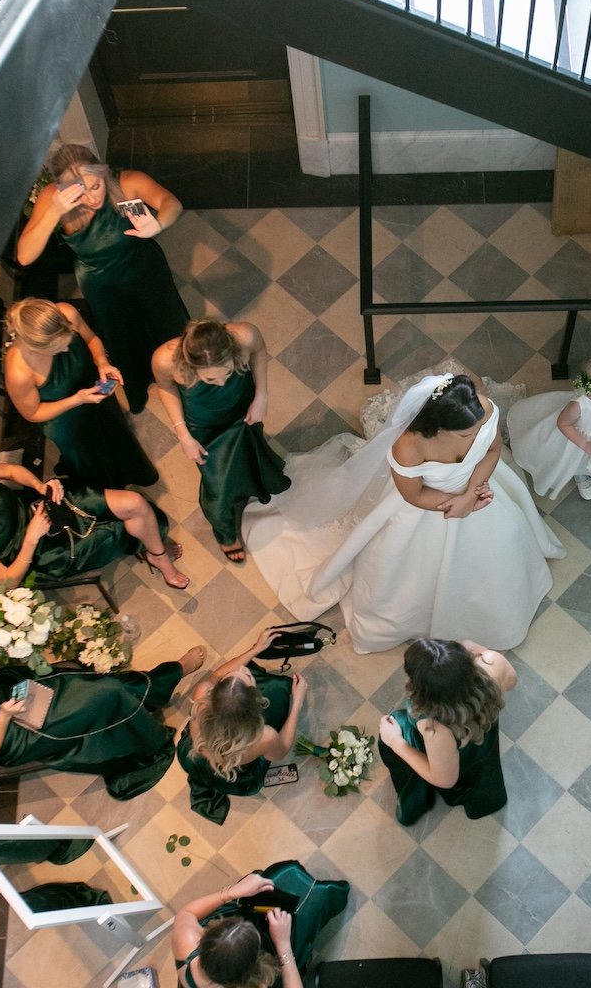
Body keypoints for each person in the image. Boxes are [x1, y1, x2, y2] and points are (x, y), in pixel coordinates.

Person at [244, 372, 566, 653]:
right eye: (465, 435)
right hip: (428, 509)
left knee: (498, 553)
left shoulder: (483, 410)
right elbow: (412, 494)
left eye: (476, 428)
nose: (475, 434)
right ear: (438, 428)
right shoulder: (408, 447)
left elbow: (493, 449)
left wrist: (471, 494)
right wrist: (455, 504)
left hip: (478, 491)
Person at [0, 642, 206, 800]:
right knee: (106, 693)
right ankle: (163, 682)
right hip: (13, 734)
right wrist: (4, 716)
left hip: (11, 689)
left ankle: (158, 684)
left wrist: (9, 637)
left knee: (104, 688)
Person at [15, 144, 188, 413]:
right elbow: (25, 256)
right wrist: (54, 212)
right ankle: (140, 381)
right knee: (121, 335)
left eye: (96, 186)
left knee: (164, 320)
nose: (92, 198)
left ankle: (183, 372)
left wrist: (159, 223)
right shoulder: (53, 199)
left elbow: (172, 203)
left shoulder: (128, 182)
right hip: (100, 283)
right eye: (80, 192)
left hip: (144, 270)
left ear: (103, 172)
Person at [0, 460, 188, 590]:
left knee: (134, 503)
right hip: (40, 554)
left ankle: (155, 554)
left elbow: (10, 471)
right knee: (114, 528)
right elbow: (7, 580)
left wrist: (38, 486)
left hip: (41, 507)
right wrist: (31, 538)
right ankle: (155, 554)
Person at [152, 320, 290, 564]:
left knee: (251, 449)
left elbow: (259, 352)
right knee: (216, 485)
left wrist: (261, 395)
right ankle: (225, 533)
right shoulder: (165, 360)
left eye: (228, 372)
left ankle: (260, 479)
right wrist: (184, 435)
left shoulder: (245, 335)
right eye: (210, 379)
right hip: (204, 425)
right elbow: (165, 389)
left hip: (241, 406)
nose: (222, 382)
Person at [2, 298, 157, 489]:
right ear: (38, 347)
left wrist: (102, 362)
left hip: (93, 391)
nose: (67, 349)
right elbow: (33, 413)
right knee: (92, 461)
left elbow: (91, 339)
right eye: (59, 348)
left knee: (116, 435)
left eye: (68, 342)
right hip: (66, 420)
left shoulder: (67, 313)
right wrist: (78, 400)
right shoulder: (18, 371)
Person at [378, 638, 516, 825]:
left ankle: (415, 799)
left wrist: (394, 740)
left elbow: (445, 780)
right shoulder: (492, 662)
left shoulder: (436, 729)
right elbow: (512, 681)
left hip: (455, 748)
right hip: (482, 732)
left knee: (394, 726)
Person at [177, 629, 307, 824]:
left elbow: (218, 674)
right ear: (255, 705)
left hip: (194, 759)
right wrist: (297, 702)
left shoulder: (202, 693)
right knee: (278, 690)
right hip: (238, 776)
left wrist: (256, 649)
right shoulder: (264, 736)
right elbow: (281, 751)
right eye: (248, 677)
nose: (241, 670)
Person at [170, 861, 349, 988]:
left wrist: (232, 892)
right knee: (308, 906)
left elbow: (186, 913)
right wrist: (283, 946)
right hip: (275, 952)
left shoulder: (186, 942)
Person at [507, 352, 591, 500]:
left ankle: (590, 471)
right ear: (587, 391)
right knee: (577, 460)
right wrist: (584, 444)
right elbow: (563, 423)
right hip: (579, 439)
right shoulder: (579, 406)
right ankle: (580, 475)